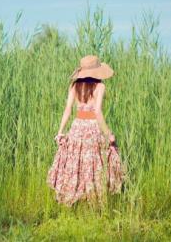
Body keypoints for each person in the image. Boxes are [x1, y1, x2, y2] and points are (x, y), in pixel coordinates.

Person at [46, 55, 126, 208]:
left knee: (77, 161)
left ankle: (76, 197)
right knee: (94, 162)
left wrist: (60, 131)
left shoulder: (74, 86)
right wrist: (108, 133)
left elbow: (68, 110)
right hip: (92, 128)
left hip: (77, 127)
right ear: (97, 71)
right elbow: (97, 111)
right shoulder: (100, 87)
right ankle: (94, 198)